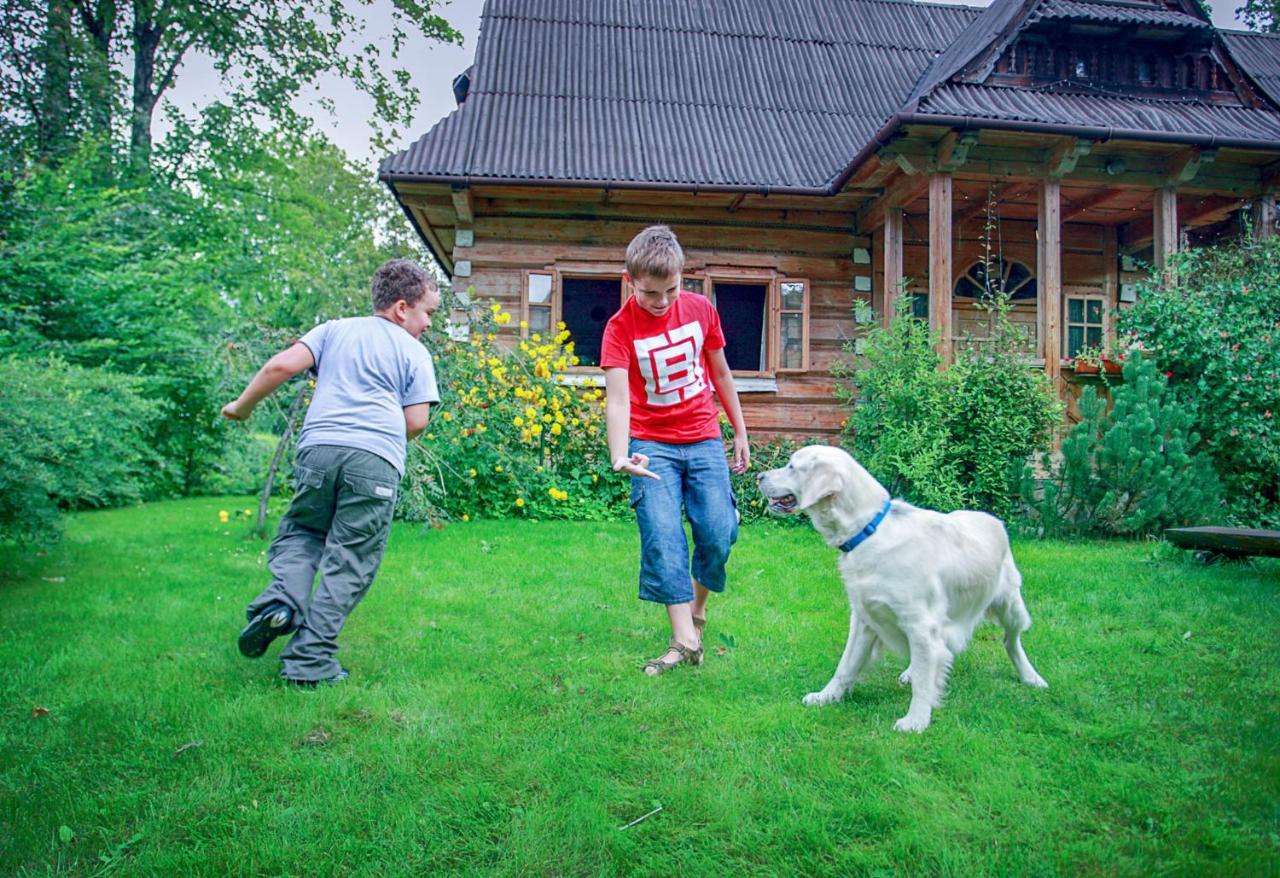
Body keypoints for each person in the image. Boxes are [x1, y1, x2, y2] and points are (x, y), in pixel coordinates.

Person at [221, 258, 440, 686]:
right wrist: (379, 443)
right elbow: (416, 422)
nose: (429, 323)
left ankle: (280, 603)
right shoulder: (414, 351)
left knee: (303, 532)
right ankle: (310, 661)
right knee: (350, 559)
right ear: (401, 308)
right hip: (374, 459)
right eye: (427, 312)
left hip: (318, 451)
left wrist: (240, 407)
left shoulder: (333, 329)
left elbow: (279, 367)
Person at [601, 225, 750, 675]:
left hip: (703, 435)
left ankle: (698, 612)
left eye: (671, 289)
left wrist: (739, 431)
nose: (662, 301)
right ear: (631, 281)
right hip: (652, 444)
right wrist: (619, 452)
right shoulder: (619, 328)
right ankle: (685, 639)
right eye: (650, 293)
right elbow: (617, 397)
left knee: (718, 531)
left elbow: (721, 374)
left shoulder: (702, 310)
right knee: (663, 534)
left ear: (683, 277)